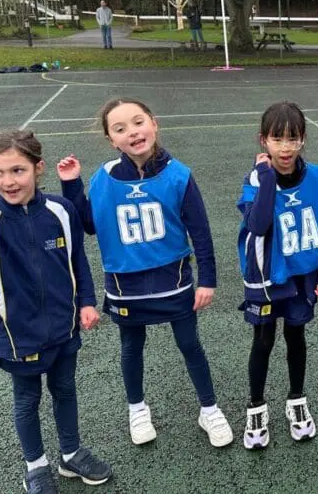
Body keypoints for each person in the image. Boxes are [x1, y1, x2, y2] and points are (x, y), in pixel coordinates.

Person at [57, 99, 233, 449]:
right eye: (120, 128)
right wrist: (72, 185)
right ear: (111, 139)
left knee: (189, 344)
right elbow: (89, 225)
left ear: (154, 123)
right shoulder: (104, 178)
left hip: (174, 281)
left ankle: (209, 409)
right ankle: (137, 409)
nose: (132, 132)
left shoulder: (179, 174)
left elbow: (199, 230)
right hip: (126, 286)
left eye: (138, 122)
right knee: (131, 347)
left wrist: (208, 279)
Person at [0, 130, 112, 494]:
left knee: (65, 389)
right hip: (17, 332)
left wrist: (85, 301)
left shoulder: (60, 210)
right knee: (27, 399)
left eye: (17, 170)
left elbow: (77, 260)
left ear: (38, 169)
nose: (8, 181)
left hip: (64, 325)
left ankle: (70, 453)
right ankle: (35, 466)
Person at [237, 101, 318, 449]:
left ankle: (296, 400)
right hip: (266, 277)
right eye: (278, 139)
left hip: (301, 276)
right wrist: (265, 179)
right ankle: (256, 406)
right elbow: (259, 224)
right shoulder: (255, 179)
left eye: (293, 139)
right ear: (263, 141)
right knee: (263, 341)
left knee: (296, 337)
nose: (286, 148)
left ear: (303, 140)